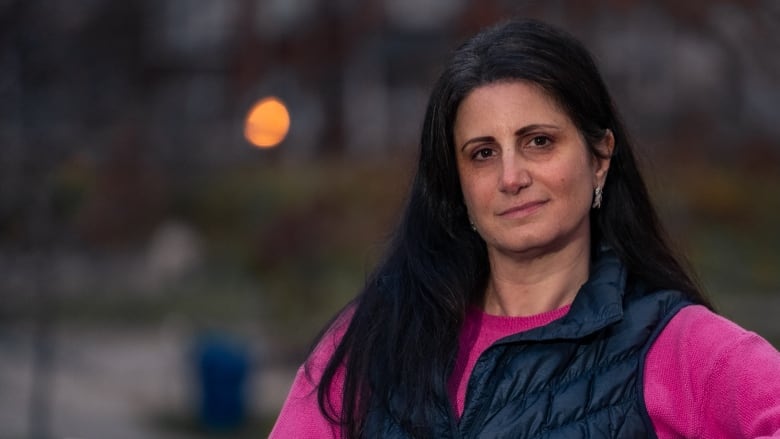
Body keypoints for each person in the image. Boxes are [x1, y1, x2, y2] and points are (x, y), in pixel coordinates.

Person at [270, 18, 780, 438]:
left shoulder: (676, 345)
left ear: (600, 157)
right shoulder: (373, 340)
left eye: (538, 142)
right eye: (483, 153)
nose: (511, 178)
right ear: (457, 183)